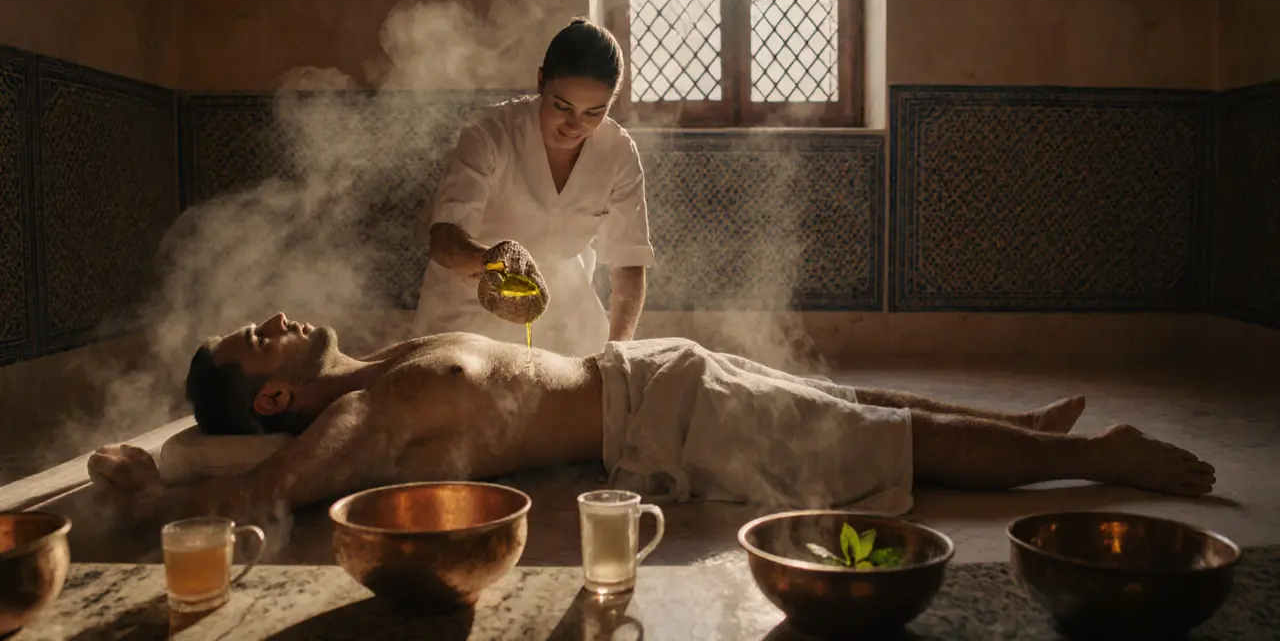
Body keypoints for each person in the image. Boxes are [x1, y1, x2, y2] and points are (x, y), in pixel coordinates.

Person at [89, 313, 1218, 528]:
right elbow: (277, 489)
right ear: (274, 398)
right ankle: (1087, 458)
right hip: (663, 417)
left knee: (855, 404)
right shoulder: (370, 407)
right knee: (876, 442)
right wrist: (172, 494)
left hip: (651, 373)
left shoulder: (388, 354)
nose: (272, 319)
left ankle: (1024, 423)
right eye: (257, 342)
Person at [414, 17, 654, 358]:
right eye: (562, 106)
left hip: (564, 307)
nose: (575, 124)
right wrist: (492, 262)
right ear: (541, 81)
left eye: (594, 112)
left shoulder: (618, 152)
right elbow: (444, 240)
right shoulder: (490, 134)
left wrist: (618, 353)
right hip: (469, 303)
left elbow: (628, 264)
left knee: (584, 401)